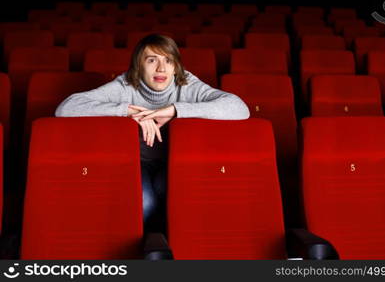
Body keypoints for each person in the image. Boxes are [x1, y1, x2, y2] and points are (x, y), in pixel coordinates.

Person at [55, 34, 250, 230]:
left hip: (176, 161)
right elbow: (66, 108)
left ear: (176, 67)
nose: (161, 68)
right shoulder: (125, 85)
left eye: (168, 60)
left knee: (181, 199)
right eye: (151, 60)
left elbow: (240, 108)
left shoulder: (187, 84)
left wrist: (175, 110)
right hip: (137, 162)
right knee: (144, 203)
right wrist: (128, 111)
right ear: (139, 66)